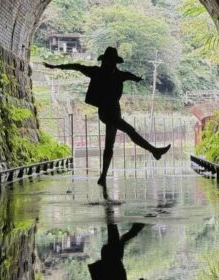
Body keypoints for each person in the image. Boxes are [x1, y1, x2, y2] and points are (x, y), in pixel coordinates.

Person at [44, 46, 170, 184]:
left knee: (109, 144)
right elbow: (77, 66)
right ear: (106, 61)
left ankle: (103, 177)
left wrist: (136, 78)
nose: (111, 64)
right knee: (129, 130)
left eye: (112, 62)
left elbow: (129, 75)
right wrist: (56, 66)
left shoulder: (118, 75)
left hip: (115, 111)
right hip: (106, 112)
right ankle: (154, 150)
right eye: (109, 61)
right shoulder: (96, 72)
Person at [49, 185, 147, 280]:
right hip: (109, 254)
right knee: (120, 235)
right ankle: (134, 219)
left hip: (113, 254)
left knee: (115, 228)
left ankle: (108, 200)